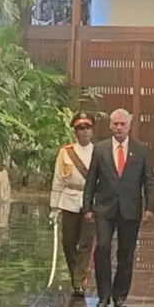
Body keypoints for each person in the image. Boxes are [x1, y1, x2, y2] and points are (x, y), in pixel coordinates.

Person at [82, 108, 154, 307]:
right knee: (103, 248)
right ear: (110, 126)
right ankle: (103, 295)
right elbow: (91, 180)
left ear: (129, 126)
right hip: (104, 208)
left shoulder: (140, 150)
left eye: (122, 124)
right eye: (115, 124)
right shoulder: (100, 149)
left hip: (130, 209)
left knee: (126, 253)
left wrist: (150, 207)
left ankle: (120, 295)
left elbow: (149, 180)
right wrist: (87, 207)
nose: (118, 128)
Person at [49, 113, 96, 297]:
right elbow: (58, 179)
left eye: (87, 128)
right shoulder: (66, 152)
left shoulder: (99, 151)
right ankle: (75, 274)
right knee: (68, 242)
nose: (84, 132)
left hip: (90, 200)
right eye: (80, 128)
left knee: (86, 242)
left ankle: (79, 281)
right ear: (75, 131)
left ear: (92, 130)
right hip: (69, 200)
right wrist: (54, 207)